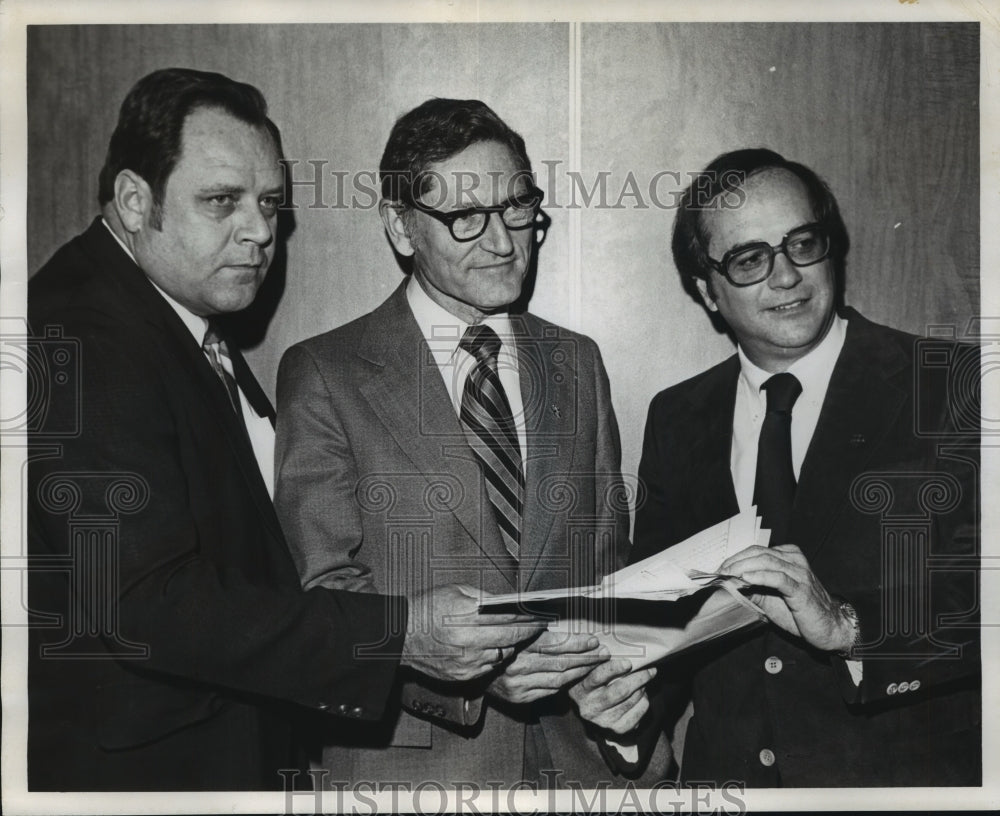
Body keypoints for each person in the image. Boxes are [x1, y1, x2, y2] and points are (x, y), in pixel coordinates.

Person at [27, 69, 545, 792]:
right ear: (134, 201)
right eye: (221, 201)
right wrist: (398, 635)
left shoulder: (168, 321)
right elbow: (149, 603)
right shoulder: (79, 331)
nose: (261, 230)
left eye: (270, 202)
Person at [274, 97, 666, 788]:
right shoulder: (326, 372)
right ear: (401, 228)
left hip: (579, 770)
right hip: (410, 776)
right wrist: (471, 684)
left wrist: (620, 680)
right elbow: (325, 598)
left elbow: (609, 568)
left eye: (518, 207)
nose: (504, 241)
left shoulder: (576, 362)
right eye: (465, 219)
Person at [576, 148, 980, 786]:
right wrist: (625, 710)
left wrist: (849, 627)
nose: (786, 276)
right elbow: (666, 622)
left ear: (831, 247)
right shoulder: (678, 416)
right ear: (708, 291)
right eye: (748, 258)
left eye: (802, 243)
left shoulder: (953, 387)